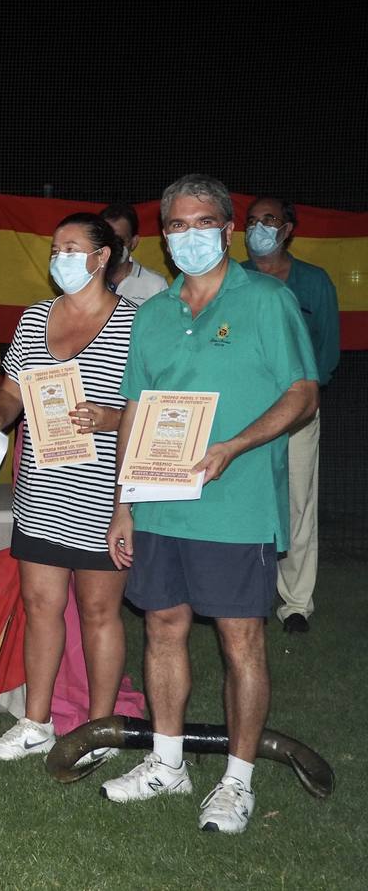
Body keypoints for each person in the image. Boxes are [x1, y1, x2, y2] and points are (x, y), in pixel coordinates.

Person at [103, 175, 318, 834]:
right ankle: (167, 762)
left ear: (225, 228)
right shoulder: (151, 313)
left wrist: (234, 445)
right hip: (162, 503)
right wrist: (123, 503)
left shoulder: (267, 300)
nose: (188, 235)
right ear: (163, 237)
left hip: (236, 500)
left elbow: (303, 393)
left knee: (239, 637)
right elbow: (136, 411)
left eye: (201, 223)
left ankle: (238, 779)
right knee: (163, 626)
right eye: (175, 225)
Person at [0, 213, 137, 764]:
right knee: (41, 606)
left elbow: (146, 408)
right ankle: (35, 722)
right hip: (42, 490)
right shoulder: (37, 317)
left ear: (102, 257)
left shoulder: (136, 322)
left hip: (104, 493)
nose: (59, 257)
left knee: (98, 612)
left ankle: (100, 728)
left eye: (71, 247)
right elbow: (12, 391)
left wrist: (110, 417)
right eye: (55, 247)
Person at [243, 195, 340, 633]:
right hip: (242, 414)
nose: (258, 228)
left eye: (268, 220)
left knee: (297, 502)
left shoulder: (314, 281)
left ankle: (296, 602)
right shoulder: (234, 280)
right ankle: (245, 592)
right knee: (245, 502)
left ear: (287, 229)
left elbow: (328, 352)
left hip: (297, 412)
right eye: (251, 221)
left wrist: (300, 398)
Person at [100, 202, 169, 306]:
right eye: (107, 239)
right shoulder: (87, 281)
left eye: (120, 240)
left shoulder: (155, 285)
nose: (112, 246)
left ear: (134, 242)